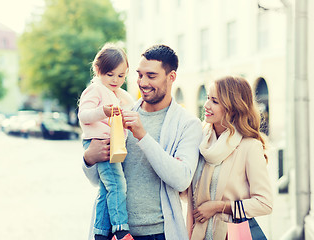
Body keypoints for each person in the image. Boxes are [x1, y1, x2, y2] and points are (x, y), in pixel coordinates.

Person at [82, 44, 203, 240]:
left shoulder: (188, 124)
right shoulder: (122, 111)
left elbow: (181, 180)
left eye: (151, 76)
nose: (143, 82)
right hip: (114, 233)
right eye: (139, 75)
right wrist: (88, 159)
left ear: (171, 77)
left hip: (158, 233)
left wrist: (142, 136)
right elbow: (99, 180)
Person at [185, 76, 273, 239]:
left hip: (232, 234)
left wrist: (219, 206)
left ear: (233, 108)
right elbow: (187, 193)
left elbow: (264, 204)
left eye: (215, 101)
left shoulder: (249, 146)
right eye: (207, 98)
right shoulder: (200, 140)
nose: (206, 105)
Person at [78, 43, 134, 240]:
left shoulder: (116, 93)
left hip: (109, 143)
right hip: (100, 143)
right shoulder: (95, 90)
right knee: (118, 185)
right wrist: (103, 111)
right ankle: (120, 228)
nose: (116, 80)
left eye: (121, 76)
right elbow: (83, 115)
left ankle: (101, 232)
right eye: (110, 74)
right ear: (98, 70)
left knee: (106, 187)